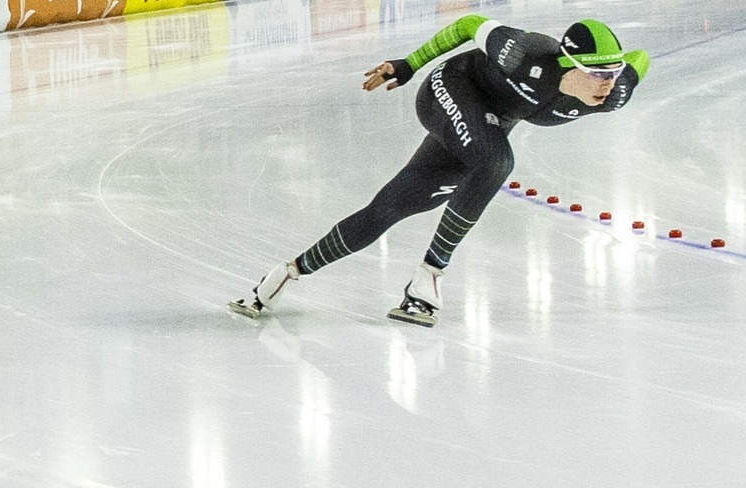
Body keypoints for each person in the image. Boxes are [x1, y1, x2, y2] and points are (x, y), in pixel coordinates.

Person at [232, 17, 648, 329]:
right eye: (596, 74)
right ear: (567, 63)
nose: (606, 84)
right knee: (497, 161)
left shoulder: (612, 94)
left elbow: (639, 61)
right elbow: (469, 25)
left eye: (611, 74)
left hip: (484, 125)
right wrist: (408, 64)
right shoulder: (523, 54)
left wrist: (620, 67)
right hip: (449, 89)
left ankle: (283, 276)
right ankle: (429, 277)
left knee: (389, 208)